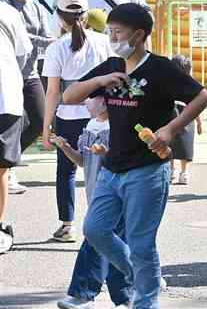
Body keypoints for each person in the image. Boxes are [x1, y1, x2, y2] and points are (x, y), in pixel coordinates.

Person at [63, 3, 207, 308]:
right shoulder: (111, 65)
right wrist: (100, 82)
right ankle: (146, 276)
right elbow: (69, 95)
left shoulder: (160, 67)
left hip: (148, 170)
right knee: (94, 229)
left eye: (118, 32)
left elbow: (202, 96)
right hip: (111, 167)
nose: (112, 37)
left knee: (142, 244)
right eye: (110, 31)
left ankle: (145, 301)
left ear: (139, 35)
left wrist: (170, 130)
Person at [42, 0, 114, 243]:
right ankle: (104, 221)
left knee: (66, 171)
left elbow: (52, 92)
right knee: (105, 170)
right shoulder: (104, 42)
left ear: (60, 18)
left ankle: (67, 225)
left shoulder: (56, 48)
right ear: (85, 15)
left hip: (67, 116)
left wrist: (45, 128)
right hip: (102, 115)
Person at [52, 97, 132, 309]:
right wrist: (66, 148)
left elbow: (124, 161)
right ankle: (126, 296)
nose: (87, 101)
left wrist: (106, 154)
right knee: (112, 244)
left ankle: (84, 294)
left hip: (115, 194)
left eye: (92, 97)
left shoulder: (117, 126)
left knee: (97, 240)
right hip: (96, 195)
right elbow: (82, 161)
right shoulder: (90, 125)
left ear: (106, 102)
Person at [1, 0, 54, 195]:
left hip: (30, 73)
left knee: (42, 121)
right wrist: (45, 41)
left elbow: (44, 35)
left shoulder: (37, 7)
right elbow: (26, 37)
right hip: (7, 74)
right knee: (10, 124)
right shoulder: (4, 4)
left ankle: (8, 163)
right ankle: (7, 169)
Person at [0, 0, 32, 255]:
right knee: (0, 169)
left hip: (6, 95)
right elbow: (23, 54)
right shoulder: (9, 12)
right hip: (6, 95)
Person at [170, 55, 203, 185]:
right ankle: (181, 172)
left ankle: (174, 171)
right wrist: (199, 122)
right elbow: (197, 104)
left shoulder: (168, 83)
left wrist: (199, 122)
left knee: (174, 144)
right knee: (183, 144)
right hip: (187, 115)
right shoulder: (191, 84)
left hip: (175, 115)